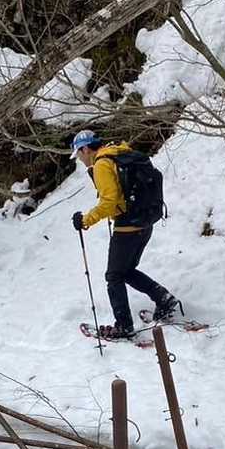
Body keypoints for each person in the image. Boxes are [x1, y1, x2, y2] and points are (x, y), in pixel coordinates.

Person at [70, 129, 180, 340]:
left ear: (85, 149)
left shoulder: (102, 164)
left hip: (127, 226)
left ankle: (124, 326)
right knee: (126, 271)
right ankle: (163, 298)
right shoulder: (119, 154)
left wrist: (85, 220)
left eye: (79, 154)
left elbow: (109, 202)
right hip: (145, 221)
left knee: (114, 276)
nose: (80, 160)